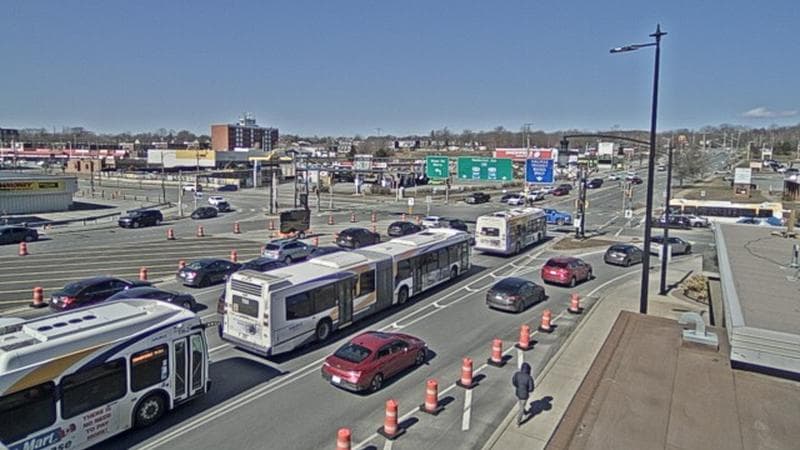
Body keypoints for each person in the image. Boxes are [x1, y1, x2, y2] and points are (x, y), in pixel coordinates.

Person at [512, 362, 534, 426]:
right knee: (521, 408)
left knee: (520, 403)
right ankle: (518, 422)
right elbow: (531, 388)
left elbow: (514, 382)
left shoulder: (517, 374)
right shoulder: (529, 378)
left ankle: (525, 412)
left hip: (518, 392)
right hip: (524, 394)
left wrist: (518, 386)